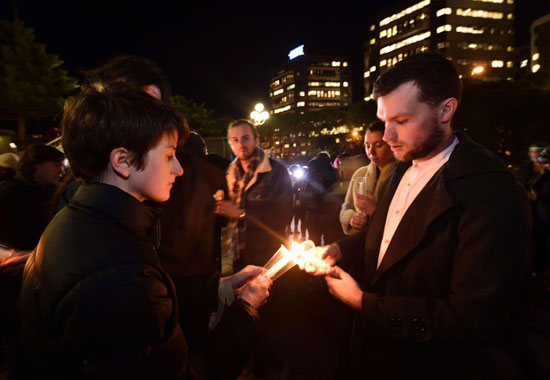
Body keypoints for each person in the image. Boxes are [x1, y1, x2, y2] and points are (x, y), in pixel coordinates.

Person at [303, 52, 531, 379]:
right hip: (375, 356)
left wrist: (364, 304)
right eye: (384, 121)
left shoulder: (490, 190)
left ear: (446, 109)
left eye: (401, 121)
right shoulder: (401, 167)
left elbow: (472, 319)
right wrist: (341, 250)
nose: (387, 136)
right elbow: (387, 236)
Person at [17, 88, 272, 379]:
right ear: (123, 161)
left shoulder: (84, 220)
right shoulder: (117, 275)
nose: (179, 169)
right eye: (169, 156)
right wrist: (245, 312)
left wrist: (218, 287)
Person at [214, 119, 293, 269]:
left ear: (256, 140)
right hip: (238, 255)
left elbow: (283, 217)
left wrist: (242, 214)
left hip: (270, 256)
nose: (241, 144)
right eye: (235, 140)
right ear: (230, 144)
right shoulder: (229, 174)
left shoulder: (276, 172)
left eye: (246, 138)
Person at [340, 121, 396, 235]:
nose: (371, 152)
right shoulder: (360, 174)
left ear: (391, 144)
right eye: (367, 145)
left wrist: (375, 211)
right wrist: (351, 218)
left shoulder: (403, 175)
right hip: (359, 243)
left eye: (378, 145)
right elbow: (346, 206)